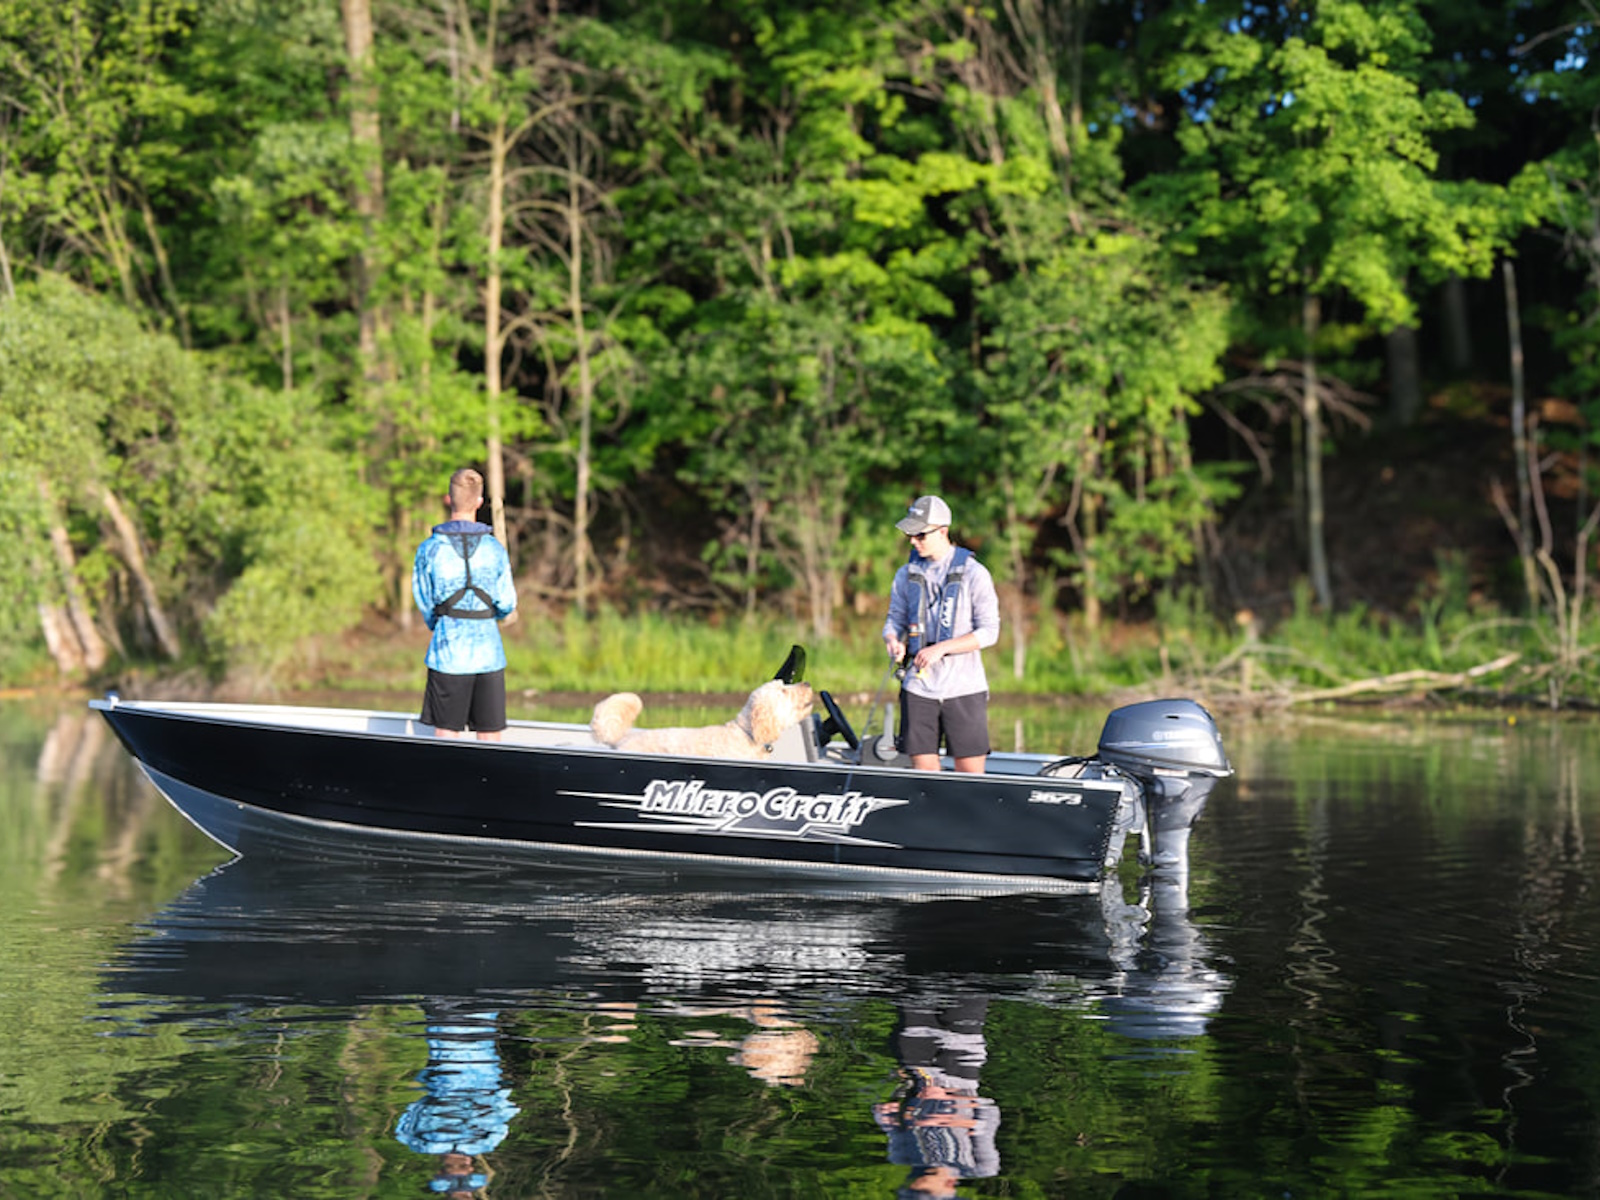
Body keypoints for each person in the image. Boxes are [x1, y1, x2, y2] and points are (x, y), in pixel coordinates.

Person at [882, 495, 999, 774]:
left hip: (964, 688)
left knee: (970, 775)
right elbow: (894, 619)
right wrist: (892, 640)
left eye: (920, 535)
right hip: (918, 687)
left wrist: (942, 648)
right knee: (924, 775)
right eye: (910, 535)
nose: (914, 541)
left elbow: (989, 632)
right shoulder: (905, 574)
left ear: (943, 531)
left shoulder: (975, 574)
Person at [413, 468, 518, 741]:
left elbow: (424, 599)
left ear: (448, 499)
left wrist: (439, 622)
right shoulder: (494, 549)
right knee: (490, 733)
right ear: (480, 502)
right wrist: (492, 615)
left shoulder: (429, 549)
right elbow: (507, 602)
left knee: (447, 732)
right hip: (488, 652)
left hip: (448, 652)